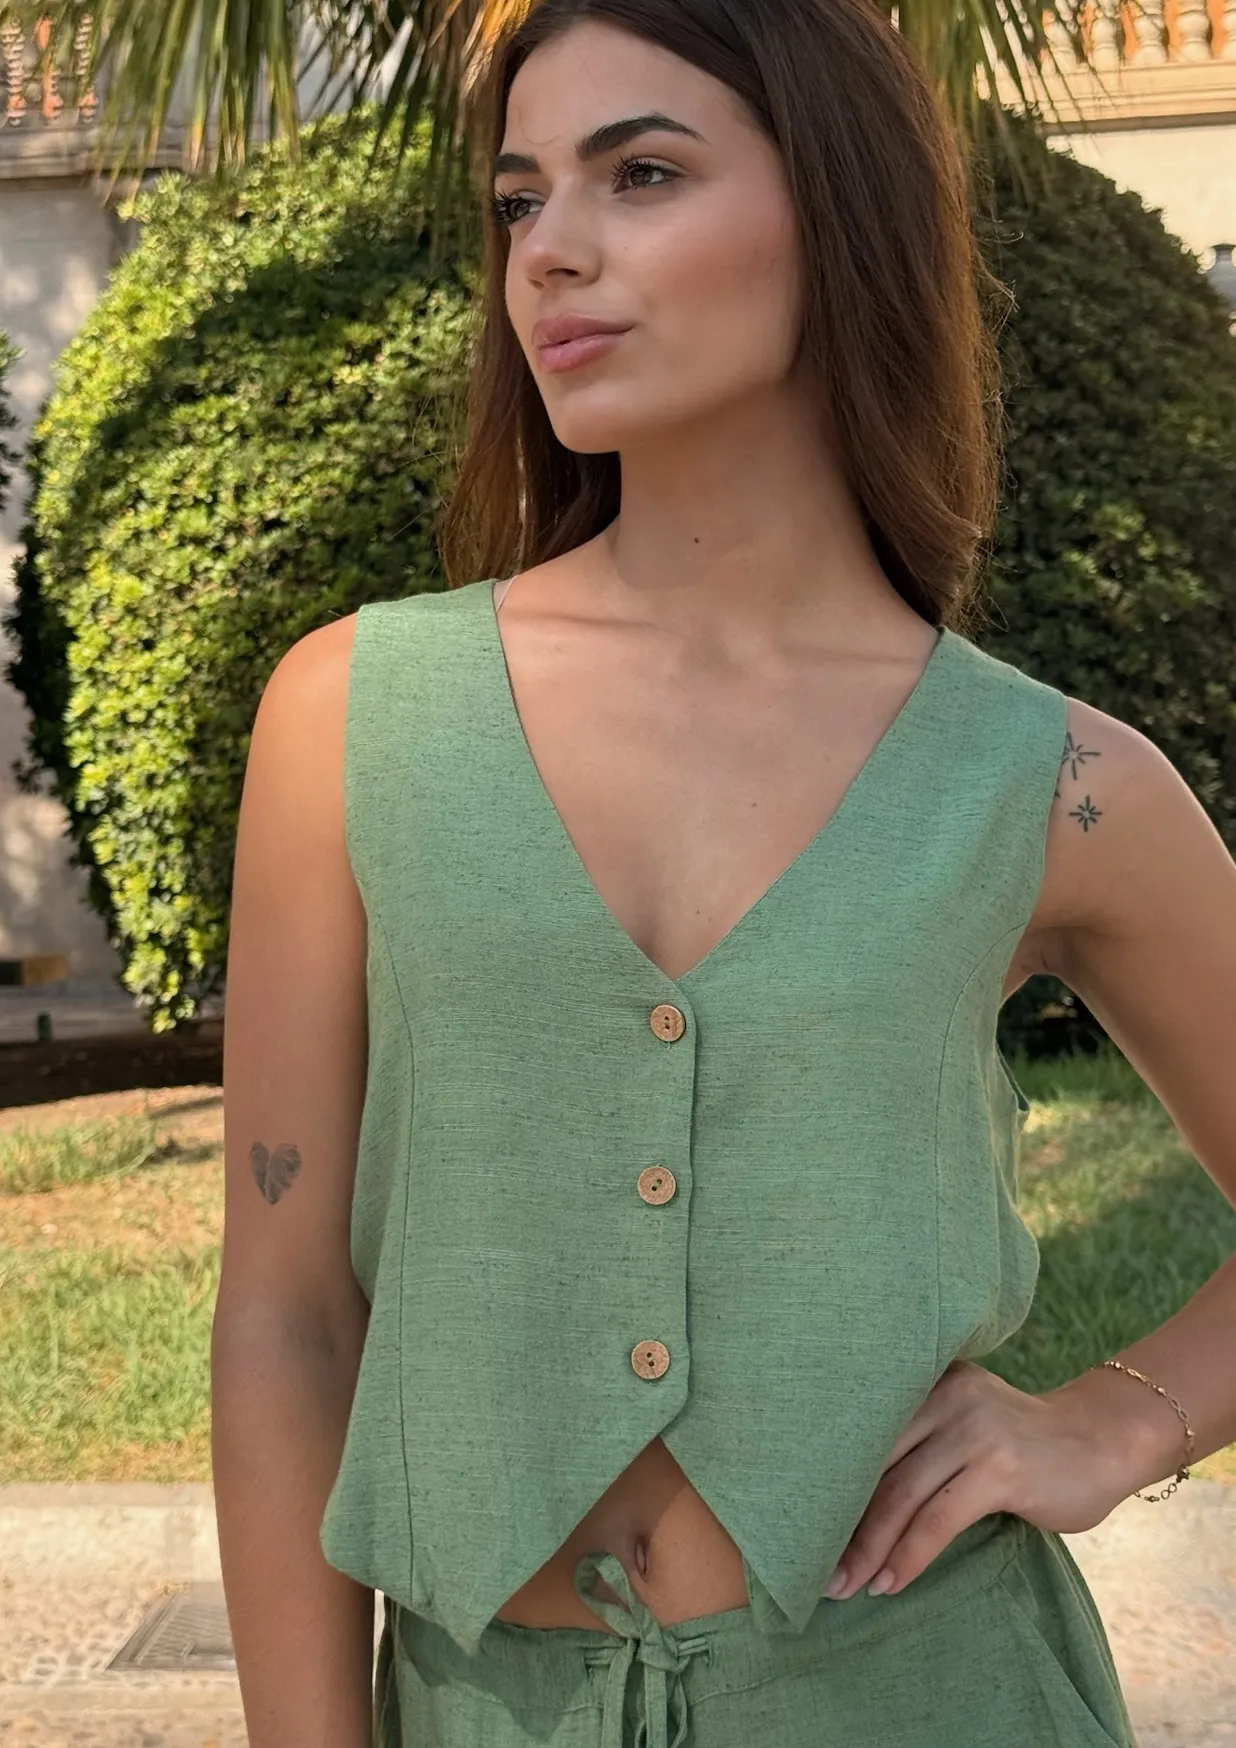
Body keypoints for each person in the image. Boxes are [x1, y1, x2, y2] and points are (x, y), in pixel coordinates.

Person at [213, 1, 1236, 1744]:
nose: (551, 250)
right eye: (520, 200)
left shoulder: (1052, 784)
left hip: (932, 1695)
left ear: (838, 213)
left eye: (643, 174)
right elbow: (287, 1322)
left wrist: (1119, 1417)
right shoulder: (354, 718)